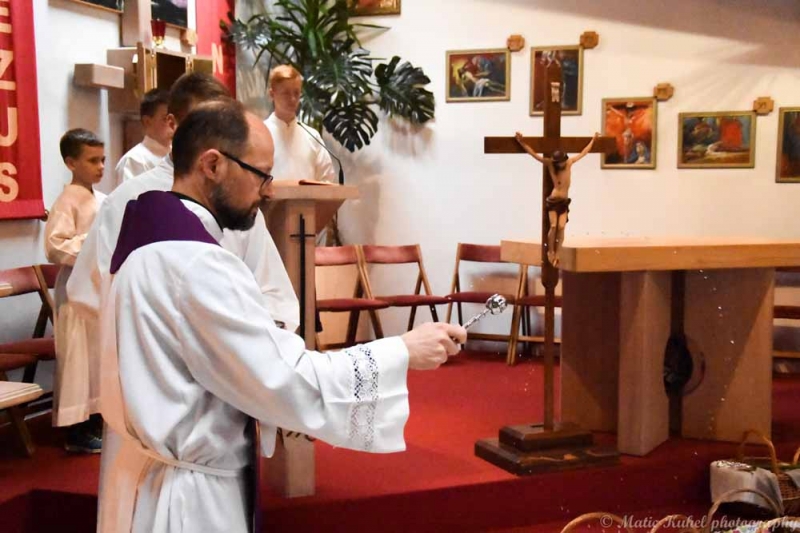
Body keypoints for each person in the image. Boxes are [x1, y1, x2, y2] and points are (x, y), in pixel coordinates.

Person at [96, 99, 468, 533]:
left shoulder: (151, 237)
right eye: (260, 174)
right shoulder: (195, 263)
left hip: (153, 475)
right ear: (212, 164)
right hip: (188, 503)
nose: (268, 191)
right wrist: (402, 351)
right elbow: (284, 380)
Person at [66, 74, 300, 447]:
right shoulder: (127, 202)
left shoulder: (237, 202)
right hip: (155, 388)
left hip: (230, 382)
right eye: (201, 122)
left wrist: (251, 339)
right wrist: (169, 338)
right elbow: (88, 291)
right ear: (173, 124)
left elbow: (272, 290)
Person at [44, 128, 107, 452]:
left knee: (97, 360)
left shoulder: (103, 199)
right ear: (71, 163)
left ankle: (95, 419)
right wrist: (92, 241)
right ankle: (76, 430)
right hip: (74, 290)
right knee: (78, 361)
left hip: (97, 289)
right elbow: (55, 246)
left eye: (103, 159)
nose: (100, 167)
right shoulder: (67, 201)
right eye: (92, 160)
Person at [515, 131, 599, 267]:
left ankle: (558, 253)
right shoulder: (550, 164)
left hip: (564, 201)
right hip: (554, 200)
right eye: (558, 163)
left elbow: (584, 153)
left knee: (561, 226)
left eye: (561, 162)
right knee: (553, 226)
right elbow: (534, 155)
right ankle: (550, 251)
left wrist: (593, 140)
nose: (560, 165)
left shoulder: (569, 163)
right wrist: (522, 142)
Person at [112, 88, 174, 188]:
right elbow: (129, 196)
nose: (172, 124)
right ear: (147, 122)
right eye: (165, 119)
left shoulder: (181, 156)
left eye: (174, 118)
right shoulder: (134, 160)